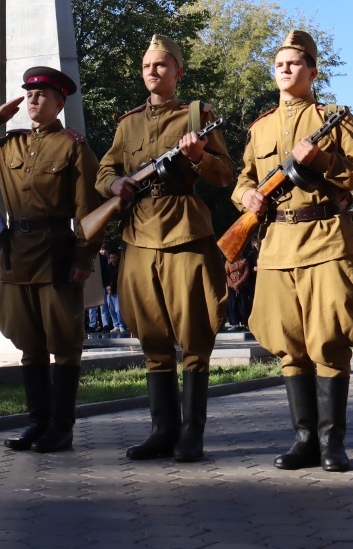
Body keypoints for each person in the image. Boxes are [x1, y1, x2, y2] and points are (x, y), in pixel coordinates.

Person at [232, 30, 353, 474]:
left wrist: (323, 162)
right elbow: (243, 178)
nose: (285, 69)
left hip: (325, 238)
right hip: (277, 245)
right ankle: (304, 439)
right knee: (288, 343)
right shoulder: (260, 127)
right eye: (279, 63)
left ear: (313, 71)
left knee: (329, 339)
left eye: (294, 63)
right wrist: (245, 196)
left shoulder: (336, 118)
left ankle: (332, 442)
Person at [97, 34, 235, 462]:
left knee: (194, 334)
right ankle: (162, 430)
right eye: (146, 66)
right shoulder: (128, 124)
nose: (152, 71)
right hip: (138, 235)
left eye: (160, 65)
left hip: (184, 232)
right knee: (152, 338)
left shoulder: (197, 115)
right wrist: (114, 184)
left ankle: (192, 433)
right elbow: (105, 170)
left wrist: (197, 158)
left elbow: (224, 174)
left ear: (178, 71)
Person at [0, 65, 102, 454]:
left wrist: (84, 257)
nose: (33, 99)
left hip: (56, 256)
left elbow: (89, 210)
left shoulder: (72, 147)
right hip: (16, 257)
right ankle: (38, 423)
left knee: (65, 342)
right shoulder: (10, 145)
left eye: (42, 95)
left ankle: (62, 427)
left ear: (59, 103)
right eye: (29, 94)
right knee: (29, 344)